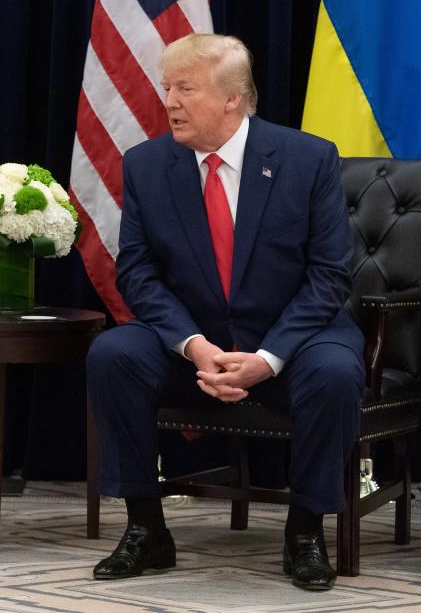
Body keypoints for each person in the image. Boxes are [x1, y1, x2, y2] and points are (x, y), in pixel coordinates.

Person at [86, 34, 364, 591]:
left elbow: (329, 275)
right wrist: (194, 345)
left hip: (295, 339)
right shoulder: (146, 164)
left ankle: (305, 530)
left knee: (335, 372)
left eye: (185, 88)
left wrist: (268, 357)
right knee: (113, 354)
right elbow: (137, 272)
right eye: (167, 87)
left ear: (233, 97)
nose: (169, 101)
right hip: (196, 344)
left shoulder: (308, 159)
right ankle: (146, 526)